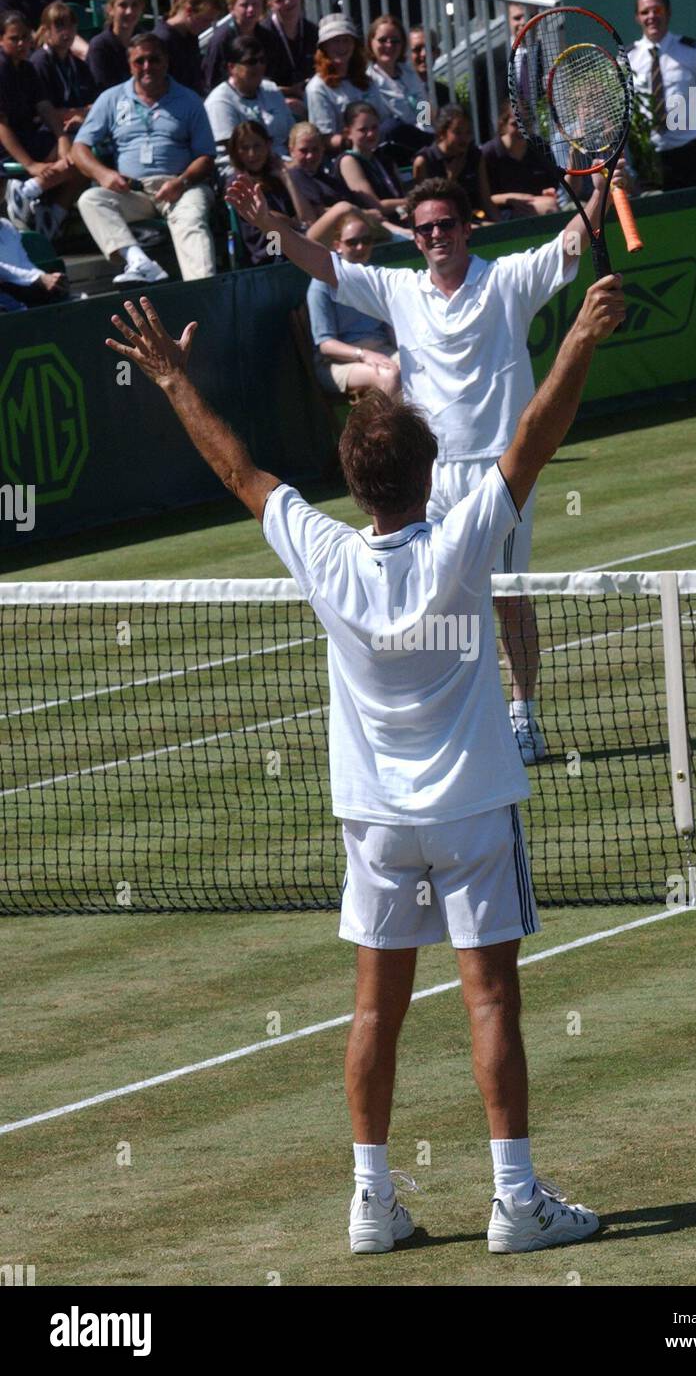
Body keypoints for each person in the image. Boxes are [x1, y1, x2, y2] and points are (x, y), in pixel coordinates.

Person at [105, 273, 623, 1254]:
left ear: (355, 485)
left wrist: (174, 379)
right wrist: (579, 338)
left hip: (377, 823)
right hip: (472, 810)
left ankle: (371, 1201)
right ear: (428, 477)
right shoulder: (465, 539)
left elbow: (238, 472)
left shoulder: (323, 550)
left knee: (372, 1009)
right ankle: (513, 1201)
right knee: (491, 997)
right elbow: (533, 440)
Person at [226, 168, 620, 763]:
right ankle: (447, 717)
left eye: (446, 224)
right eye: (425, 228)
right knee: (426, 599)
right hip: (426, 476)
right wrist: (268, 226)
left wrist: (597, 196)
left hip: (502, 474)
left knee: (506, 597)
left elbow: (571, 239)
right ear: (414, 238)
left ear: (465, 228)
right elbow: (323, 264)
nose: (437, 235)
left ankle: (523, 717)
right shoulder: (397, 289)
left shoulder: (508, 279)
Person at [72, 32, 217, 284]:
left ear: (166, 61)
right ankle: (138, 261)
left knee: (192, 219)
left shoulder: (189, 100)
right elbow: (79, 148)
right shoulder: (112, 98)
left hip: (181, 187)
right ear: (130, 65)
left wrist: (181, 182)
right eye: (139, 61)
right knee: (91, 199)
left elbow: (206, 156)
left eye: (154, 59)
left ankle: (202, 289)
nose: (147, 67)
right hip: (134, 191)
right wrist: (103, 174)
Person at [0, 10, 88, 243]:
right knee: (81, 159)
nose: (22, 43)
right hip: (8, 143)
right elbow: (1, 126)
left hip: (29, 136)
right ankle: (28, 189)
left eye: (25, 38)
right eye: (14, 39)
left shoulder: (27, 68)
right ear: (1, 40)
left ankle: (50, 216)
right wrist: (30, 165)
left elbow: (45, 107)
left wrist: (61, 138)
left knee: (82, 156)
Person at [226, 118, 353, 258]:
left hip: (295, 240)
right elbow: (265, 216)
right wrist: (294, 223)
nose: (252, 154)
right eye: (244, 148)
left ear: (268, 145)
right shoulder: (238, 182)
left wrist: (286, 178)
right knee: (344, 209)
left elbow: (308, 219)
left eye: (257, 146)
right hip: (271, 250)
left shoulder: (277, 175)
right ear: (236, 151)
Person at [627, 0, 696, 190]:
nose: (651, 17)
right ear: (637, 18)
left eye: (657, 10)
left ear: (668, 12)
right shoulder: (627, 59)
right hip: (648, 158)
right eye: (645, 12)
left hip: (691, 155)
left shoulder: (694, 52)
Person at [307, 210, 400, 396]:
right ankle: (389, 426)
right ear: (338, 246)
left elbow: (390, 326)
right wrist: (364, 355)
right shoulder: (321, 284)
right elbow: (326, 345)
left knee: (423, 364)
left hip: (382, 351)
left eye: (366, 240)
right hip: (340, 363)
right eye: (352, 242)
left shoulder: (375, 276)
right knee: (389, 377)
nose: (360, 247)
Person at [205, 33, 294, 181]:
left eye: (262, 60)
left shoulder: (271, 90)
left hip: (283, 164)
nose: (259, 66)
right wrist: (283, 169)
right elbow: (236, 154)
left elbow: (291, 135)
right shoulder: (219, 101)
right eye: (251, 61)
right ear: (232, 67)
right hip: (243, 172)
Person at [305, 14, 379, 155]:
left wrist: (423, 125)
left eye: (346, 40)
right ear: (324, 46)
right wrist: (354, 141)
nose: (342, 46)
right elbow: (325, 138)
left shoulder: (370, 80)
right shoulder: (318, 88)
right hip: (345, 157)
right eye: (335, 41)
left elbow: (381, 118)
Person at [412, 103, 498, 223]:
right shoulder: (424, 161)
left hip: (477, 217)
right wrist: (451, 180)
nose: (465, 138)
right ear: (442, 133)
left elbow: (486, 201)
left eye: (468, 132)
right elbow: (428, 209)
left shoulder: (475, 156)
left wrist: (500, 224)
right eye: (457, 132)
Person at [365, 14, 431, 161]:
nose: (389, 45)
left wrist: (424, 127)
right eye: (382, 40)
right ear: (371, 43)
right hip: (391, 146)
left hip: (420, 137)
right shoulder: (368, 82)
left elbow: (423, 105)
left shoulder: (409, 73)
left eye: (395, 41)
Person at [482, 101, 559, 218]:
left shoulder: (540, 147)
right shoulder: (488, 153)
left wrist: (549, 191)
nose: (522, 130)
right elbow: (483, 198)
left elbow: (553, 184)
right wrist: (513, 199)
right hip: (500, 213)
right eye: (516, 124)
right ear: (503, 124)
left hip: (540, 206)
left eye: (527, 123)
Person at [30, 0, 96, 138]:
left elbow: (93, 102)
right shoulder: (40, 62)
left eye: (71, 25)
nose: (67, 32)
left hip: (78, 125)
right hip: (47, 132)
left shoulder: (77, 64)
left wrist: (82, 116)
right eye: (59, 26)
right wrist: (82, 112)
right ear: (46, 31)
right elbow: (42, 112)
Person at [336, 100, 406, 221]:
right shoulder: (349, 161)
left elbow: (400, 192)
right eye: (363, 130)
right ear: (348, 133)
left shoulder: (384, 158)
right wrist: (414, 201)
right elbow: (376, 206)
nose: (371, 134)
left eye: (374, 127)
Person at [256, 0, 318, 118]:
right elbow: (257, 83)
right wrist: (290, 92)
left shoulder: (312, 31)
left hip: (310, 96)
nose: (288, 2)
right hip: (272, 101)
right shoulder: (262, 35)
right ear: (270, 4)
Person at [154, 0, 222, 96]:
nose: (208, 26)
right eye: (205, 20)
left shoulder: (189, 35)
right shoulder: (162, 40)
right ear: (189, 11)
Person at [202, 0, 265, 95]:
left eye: (255, 4)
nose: (251, 9)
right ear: (231, 9)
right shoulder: (221, 39)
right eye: (244, 5)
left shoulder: (266, 36)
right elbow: (211, 81)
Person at [0, 210, 68, 307]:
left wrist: (46, 277)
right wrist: (38, 278)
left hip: (15, 290)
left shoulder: (6, 226)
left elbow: (22, 262)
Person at [87, 0, 144, 95]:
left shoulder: (147, 43)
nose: (129, 11)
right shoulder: (99, 47)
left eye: (134, 5)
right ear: (110, 9)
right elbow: (106, 94)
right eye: (123, 5)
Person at [408, 24, 448, 111]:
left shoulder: (446, 93)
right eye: (417, 49)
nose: (424, 54)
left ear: (438, 53)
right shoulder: (398, 92)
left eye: (430, 48)